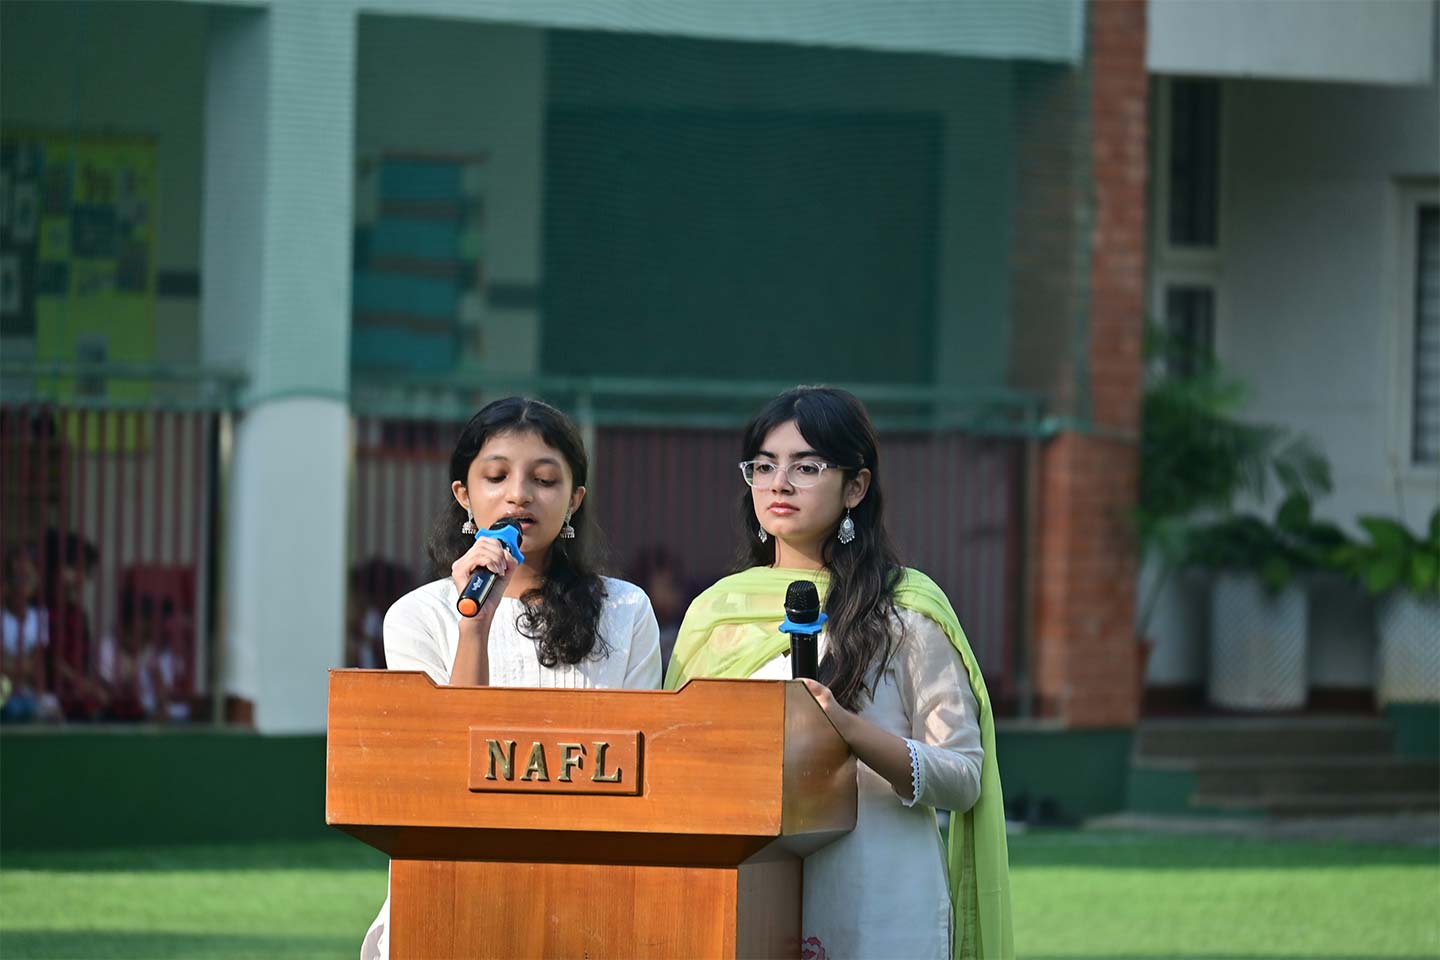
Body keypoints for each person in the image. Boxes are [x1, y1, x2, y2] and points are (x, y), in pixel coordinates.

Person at [665, 386, 1012, 960]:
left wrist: (851, 732)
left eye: (807, 467)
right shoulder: (716, 613)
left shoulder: (906, 610)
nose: (779, 483)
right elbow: (680, 764)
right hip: (751, 895)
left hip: (878, 895)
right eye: (764, 466)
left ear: (856, 486)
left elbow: (962, 777)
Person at [361, 396, 662, 960]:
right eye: (496, 476)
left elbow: (640, 764)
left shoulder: (626, 609)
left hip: (589, 890)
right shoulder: (418, 615)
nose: (519, 494)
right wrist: (473, 625)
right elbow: (446, 761)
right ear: (464, 496)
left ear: (574, 500)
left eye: (544, 480)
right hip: (454, 880)